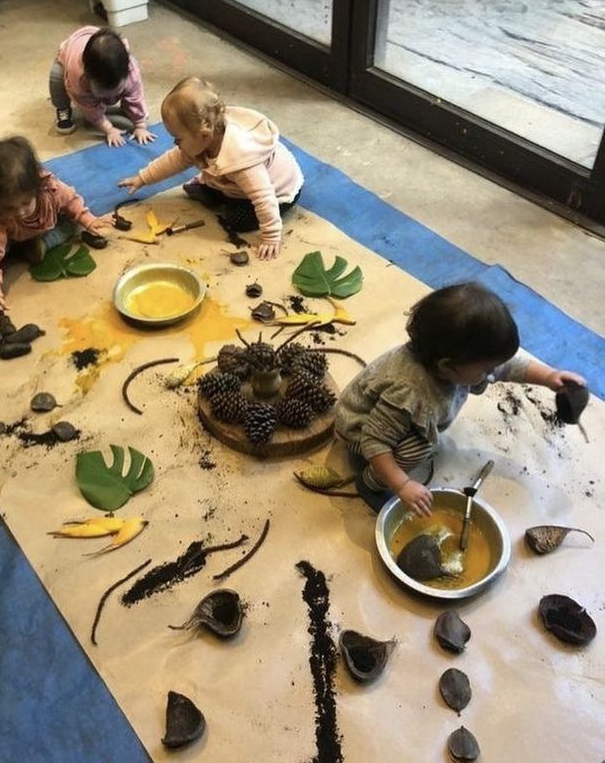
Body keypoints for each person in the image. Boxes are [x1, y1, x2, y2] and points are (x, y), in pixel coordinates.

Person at [335, 282, 586, 517]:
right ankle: (370, 483)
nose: (492, 374)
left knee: (421, 436)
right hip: (359, 431)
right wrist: (402, 485)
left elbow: (509, 367)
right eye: (487, 369)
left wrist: (550, 377)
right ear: (447, 367)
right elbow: (374, 441)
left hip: (387, 424)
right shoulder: (409, 393)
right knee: (422, 446)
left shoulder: (457, 360)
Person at [118, 77, 304, 260]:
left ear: (205, 135)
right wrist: (143, 178)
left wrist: (271, 236)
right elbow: (173, 160)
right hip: (236, 183)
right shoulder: (203, 139)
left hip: (278, 193)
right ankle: (219, 192)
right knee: (210, 182)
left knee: (236, 220)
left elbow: (264, 197)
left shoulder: (241, 160)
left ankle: (224, 196)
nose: (176, 144)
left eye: (178, 139)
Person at [0, 135, 112, 321]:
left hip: (36, 226)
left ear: (37, 187)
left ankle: (36, 244)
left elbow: (71, 201)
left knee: (74, 223)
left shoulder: (51, 189)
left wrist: (88, 219)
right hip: (6, 229)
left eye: (26, 203)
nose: (20, 212)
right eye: (10, 207)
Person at [51, 25, 155, 146]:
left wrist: (140, 125)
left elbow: (135, 97)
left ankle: (126, 106)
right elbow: (90, 110)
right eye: (102, 92)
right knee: (56, 77)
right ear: (87, 78)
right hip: (68, 51)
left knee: (130, 90)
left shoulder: (131, 72)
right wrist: (109, 129)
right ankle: (62, 108)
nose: (109, 98)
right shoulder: (78, 77)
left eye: (117, 91)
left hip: (96, 46)